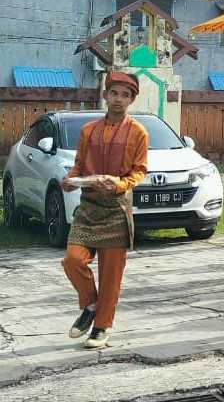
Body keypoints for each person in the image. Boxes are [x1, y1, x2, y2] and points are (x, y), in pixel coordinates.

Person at [60, 70, 148, 349]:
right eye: (114, 93)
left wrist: (121, 184)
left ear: (131, 100)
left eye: (125, 95)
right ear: (105, 95)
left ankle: (101, 326)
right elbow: (78, 164)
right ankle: (90, 305)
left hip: (116, 209)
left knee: (111, 274)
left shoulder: (138, 132)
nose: (119, 99)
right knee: (73, 260)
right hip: (88, 207)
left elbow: (140, 171)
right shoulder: (88, 131)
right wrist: (71, 180)